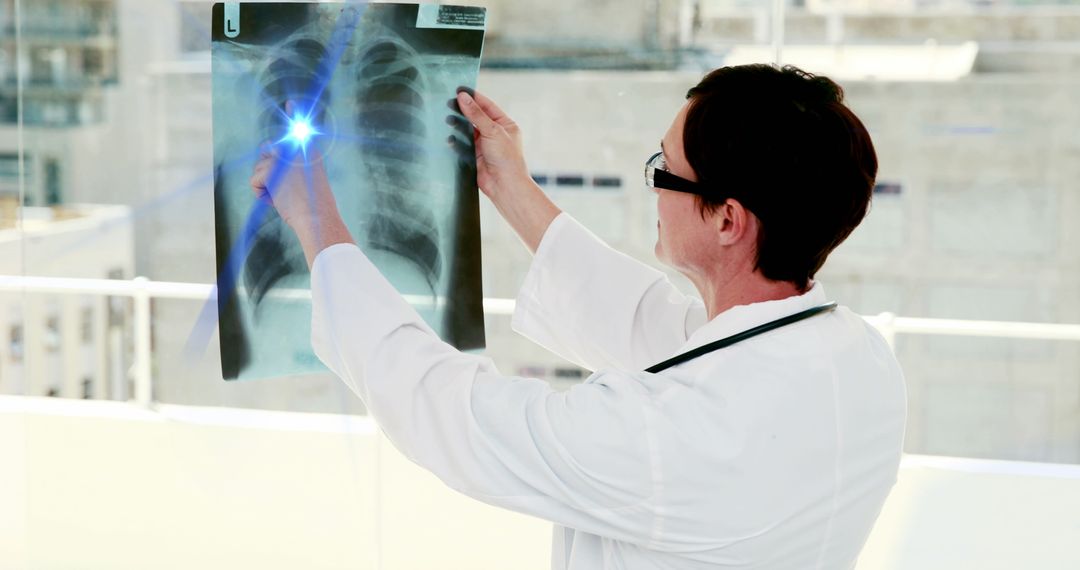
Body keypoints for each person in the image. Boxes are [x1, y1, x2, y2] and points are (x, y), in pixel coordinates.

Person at [250, 64, 907, 569]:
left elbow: (449, 413)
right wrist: (510, 186)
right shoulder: (859, 357)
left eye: (665, 172)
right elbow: (660, 329)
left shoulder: (670, 439)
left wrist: (319, 226)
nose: (654, 185)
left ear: (728, 219)